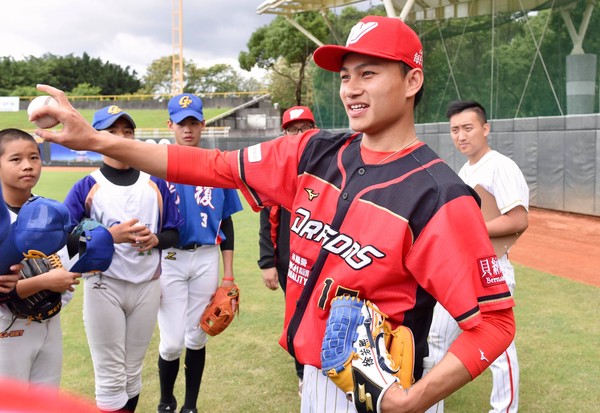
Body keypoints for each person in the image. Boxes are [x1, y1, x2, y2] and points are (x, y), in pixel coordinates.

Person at [32, 15, 517, 412]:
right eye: (345, 75)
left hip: (388, 381)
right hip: (320, 374)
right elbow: (213, 165)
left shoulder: (438, 195)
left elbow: (495, 323)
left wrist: (416, 399)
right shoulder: (312, 152)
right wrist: (98, 141)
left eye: (369, 73)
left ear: (412, 80)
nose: (351, 88)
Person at [62, 106, 182, 413]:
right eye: (111, 132)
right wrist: (109, 236)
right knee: (110, 377)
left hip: (147, 286)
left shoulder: (154, 183)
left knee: (132, 374)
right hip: (105, 285)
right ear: (96, 138)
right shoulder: (87, 186)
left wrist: (156, 239)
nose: (121, 138)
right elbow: (65, 241)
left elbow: (174, 232)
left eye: (127, 132)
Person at [425, 100, 529, 413]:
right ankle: (430, 404)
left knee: (499, 350)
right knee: (437, 339)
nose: (461, 135)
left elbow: (518, 220)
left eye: (468, 128)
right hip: (460, 271)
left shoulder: (500, 166)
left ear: (485, 128)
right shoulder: (464, 170)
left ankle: (505, 410)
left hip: (491, 272)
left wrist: (473, 230)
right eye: (455, 129)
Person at [156, 94, 243, 413]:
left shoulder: (218, 166)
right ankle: (166, 400)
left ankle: (190, 405)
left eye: (193, 122)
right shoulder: (158, 166)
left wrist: (229, 273)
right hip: (171, 259)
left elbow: (228, 223)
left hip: (206, 257)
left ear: (203, 125)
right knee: (171, 342)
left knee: (197, 337)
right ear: (171, 126)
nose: (188, 129)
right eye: (182, 123)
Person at [0, 128, 81, 387]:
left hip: (48, 324)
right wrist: (44, 282)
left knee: (45, 402)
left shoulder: (49, 212)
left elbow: (69, 258)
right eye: (16, 159)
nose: (28, 166)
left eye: (34, 157)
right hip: (6, 330)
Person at [257, 105, 316, 396]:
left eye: (304, 129)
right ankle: (303, 372)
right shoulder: (275, 170)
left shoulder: (328, 166)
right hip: (288, 263)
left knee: (324, 314)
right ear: (284, 134)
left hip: (324, 261)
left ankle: (326, 369)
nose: (298, 135)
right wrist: (267, 262)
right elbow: (265, 219)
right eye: (292, 130)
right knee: (297, 316)